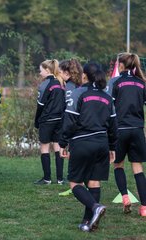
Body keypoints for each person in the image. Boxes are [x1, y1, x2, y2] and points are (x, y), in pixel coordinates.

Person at [59, 63, 118, 232]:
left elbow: (70, 121)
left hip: (82, 142)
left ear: (84, 76)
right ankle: (87, 222)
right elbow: (114, 126)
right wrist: (112, 146)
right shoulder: (107, 97)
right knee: (94, 182)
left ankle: (95, 207)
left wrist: (63, 143)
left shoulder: (79, 93)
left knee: (75, 183)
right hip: (102, 143)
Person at [107, 52, 146, 217]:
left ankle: (125, 197)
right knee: (138, 168)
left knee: (118, 165)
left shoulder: (116, 83)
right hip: (137, 130)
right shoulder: (142, 83)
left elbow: (110, 108)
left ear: (121, 65)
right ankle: (144, 207)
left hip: (120, 130)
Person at [34, 59, 66, 185]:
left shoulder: (45, 84)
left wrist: (37, 121)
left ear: (47, 70)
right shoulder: (61, 83)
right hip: (60, 120)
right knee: (58, 147)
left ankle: (47, 179)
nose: (39, 72)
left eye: (40, 70)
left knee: (45, 147)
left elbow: (40, 105)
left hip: (47, 120)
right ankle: (60, 179)